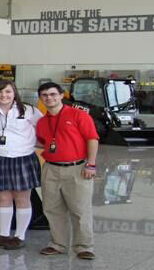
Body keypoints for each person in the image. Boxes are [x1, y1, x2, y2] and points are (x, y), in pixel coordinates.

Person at [35, 82, 99, 260]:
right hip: (51, 169)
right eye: (45, 95)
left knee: (80, 209)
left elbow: (92, 139)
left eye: (53, 94)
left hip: (77, 168)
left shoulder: (78, 115)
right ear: (40, 98)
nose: (49, 98)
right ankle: (58, 244)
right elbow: (42, 142)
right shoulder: (42, 121)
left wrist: (91, 164)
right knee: (52, 209)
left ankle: (84, 246)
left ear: (62, 95)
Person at [0, 80, 44, 250]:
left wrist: (35, 144)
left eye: (8, 92)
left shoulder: (29, 110)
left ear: (14, 92)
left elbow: (44, 128)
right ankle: (3, 234)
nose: (4, 95)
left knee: (22, 198)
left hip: (22, 158)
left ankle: (19, 236)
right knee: (3, 198)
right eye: (0, 92)